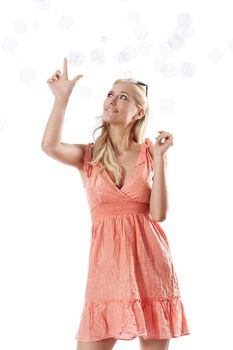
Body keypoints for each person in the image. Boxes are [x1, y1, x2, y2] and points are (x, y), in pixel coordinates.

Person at [41, 57, 190, 350]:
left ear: (139, 112)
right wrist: (61, 99)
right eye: (110, 94)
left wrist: (161, 160)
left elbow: (158, 214)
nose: (113, 100)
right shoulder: (89, 155)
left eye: (124, 97)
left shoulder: (150, 154)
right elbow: (50, 146)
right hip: (106, 272)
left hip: (151, 266)